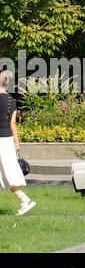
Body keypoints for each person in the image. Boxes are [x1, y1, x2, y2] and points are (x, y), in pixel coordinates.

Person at [0, 71, 35, 216]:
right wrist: (16, 141)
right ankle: (23, 199)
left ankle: (24, 199)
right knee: (4, 173)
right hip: (7, 139)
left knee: (5, 173)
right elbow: (12, 123)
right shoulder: (11, 100)